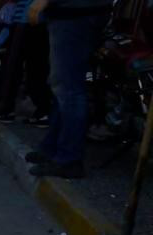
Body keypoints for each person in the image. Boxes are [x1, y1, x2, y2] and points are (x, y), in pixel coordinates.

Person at [26, 0, 112, 178]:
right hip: (76, 13)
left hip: (74, 13)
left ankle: (68, 159)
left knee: (69, 88)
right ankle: (53, 149)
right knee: (64, 86)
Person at [0, 0, 53, 125]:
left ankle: (6, 109)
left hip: (25, 20)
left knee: (13, 68)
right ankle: (43, 110)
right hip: (38, 21)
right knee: (37, 69)